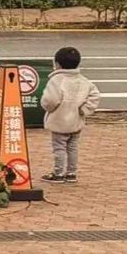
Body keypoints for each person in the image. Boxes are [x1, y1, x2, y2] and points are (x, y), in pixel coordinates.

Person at [40, 45, 101, 183]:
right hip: (76, 121)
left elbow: (50, 100)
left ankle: (58, 173)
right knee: (73, 148)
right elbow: (95, 96)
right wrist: (84, 110)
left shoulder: (57, 80)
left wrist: (49, 109)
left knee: (59, 148)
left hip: (60, 120)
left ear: (57, 64)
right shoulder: (83, 80)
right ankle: (71, 172)